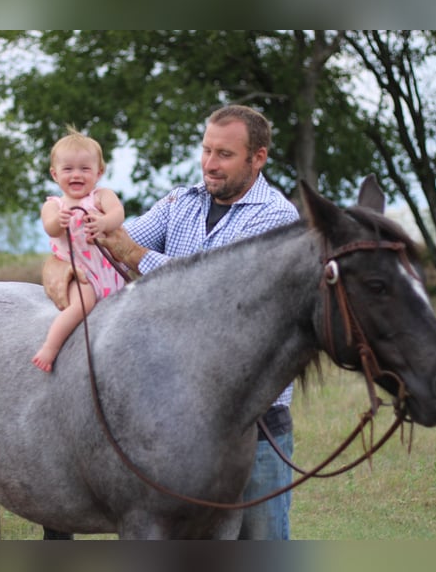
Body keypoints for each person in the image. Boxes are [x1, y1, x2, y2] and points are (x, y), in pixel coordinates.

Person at [42, 105, 299, 539]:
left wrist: (135, 256)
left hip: (252, 417)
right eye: (206, 150)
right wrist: (60, 270)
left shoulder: (275, 217)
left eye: (224, 155)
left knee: (263, 544)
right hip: (175, 412)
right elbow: (109, 250)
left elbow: (215, 294)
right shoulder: (182, 200)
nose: (210, 164)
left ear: (258, 158)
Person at [32, 126, 126, 373]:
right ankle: (50, 347)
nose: (77, 175)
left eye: (85, 169)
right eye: (68, 169)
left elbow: (118, 214)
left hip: (108, 269)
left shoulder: (101, 196)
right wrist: (58, 223)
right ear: (54, 174)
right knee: (82, 304)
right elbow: (50, 229)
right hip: (78, 273)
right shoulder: (54, 205)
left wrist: (104, 222)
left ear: (99, 172)